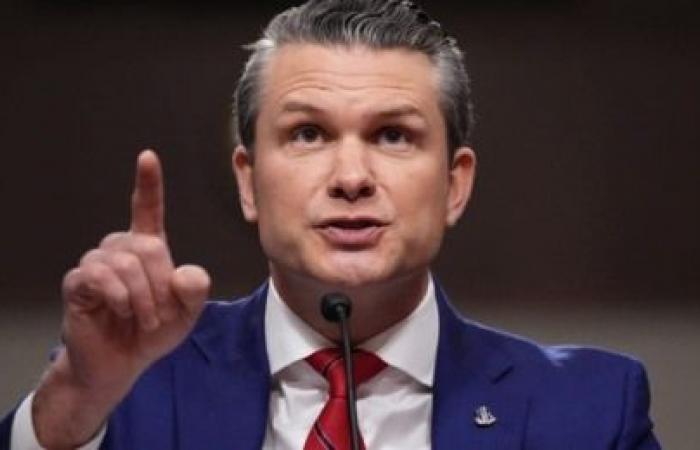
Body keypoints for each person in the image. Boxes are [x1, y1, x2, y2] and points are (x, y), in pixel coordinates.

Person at [1, 1, 661, 449]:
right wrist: (75, 405)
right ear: (248, 180)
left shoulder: (590, 410)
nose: (351, 176)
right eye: (309, 133)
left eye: (394, 135)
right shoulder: (131, 385)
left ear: (455, 184)